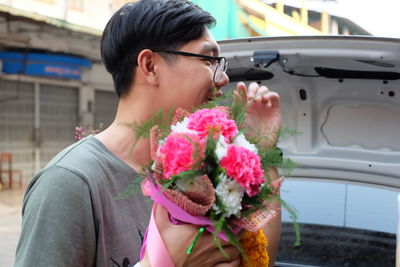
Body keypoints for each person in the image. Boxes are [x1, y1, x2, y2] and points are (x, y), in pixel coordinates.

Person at [15, 0, 281, 266]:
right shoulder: (70, 183)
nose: (222, 79)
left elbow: (259, 257)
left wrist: (263, 150)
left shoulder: (202, 173)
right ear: (150, 66)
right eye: (209, 60)